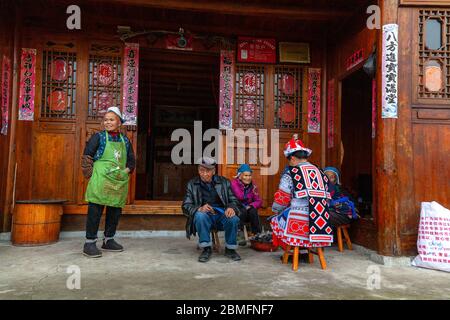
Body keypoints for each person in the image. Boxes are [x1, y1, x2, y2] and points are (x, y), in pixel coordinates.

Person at [81, 107, 135, 258]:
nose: (108, 122)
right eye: (106, 120)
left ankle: (109, 239)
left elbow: (131, 161)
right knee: (95, 210)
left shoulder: (125, 140)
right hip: (101, 179)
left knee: (114, 211)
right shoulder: (98, 137)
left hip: (118, 181)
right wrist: (92, 175)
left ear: (119, 122)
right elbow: (87, 157)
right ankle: (89, 242)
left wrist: (125, 172)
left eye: (111, 119)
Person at [271, 134, 333, 251]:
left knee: (275, 219)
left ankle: (295, 250)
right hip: (322, 221)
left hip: (300, 222)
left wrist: (276, 210)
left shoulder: (291, 173)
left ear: (293, 158)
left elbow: (282, 199)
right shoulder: (321, 172)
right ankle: (306, 250)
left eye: (289, 161)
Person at [182, 157, 242, 263]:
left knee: (233, 218)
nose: (204, 174)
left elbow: (234, 200)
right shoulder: (192, 184)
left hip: (221, 215)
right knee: (200, 215)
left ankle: (230, 249)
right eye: (202, 170)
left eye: (208, 171)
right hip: (205, 217)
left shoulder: (224, 182)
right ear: (198, 171)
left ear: (213, 171)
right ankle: (206, 248)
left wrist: (231, 208)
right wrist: (199, 208)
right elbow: (186, 205)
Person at [230, 164, 263, 242]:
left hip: (247, 210)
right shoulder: (233, 184)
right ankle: (239, 233)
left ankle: (257, 234)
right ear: (240, 175)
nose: (248, 178)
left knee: (253, 210)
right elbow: (231, 199)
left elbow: (259, 201)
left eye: (250, 175)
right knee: (242, 210)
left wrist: (251, 205)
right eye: (246, 175)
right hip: (236, 210)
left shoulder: (253, 186)